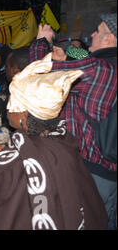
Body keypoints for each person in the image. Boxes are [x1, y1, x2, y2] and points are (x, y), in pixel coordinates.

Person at [0, 54, 107, 230]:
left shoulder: (23, 159)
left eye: (13, 100)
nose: (8, 106)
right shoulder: (63, 140)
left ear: (24, 116)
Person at [30, 16, 117, 229]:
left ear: (110, 38)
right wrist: (65, 59)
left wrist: (41, 41)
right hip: (110, 174)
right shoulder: (105, 67)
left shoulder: (98, 69)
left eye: (98, 30)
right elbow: (83, 63)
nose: (92, 35)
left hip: (89, 173)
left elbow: (37, 74)